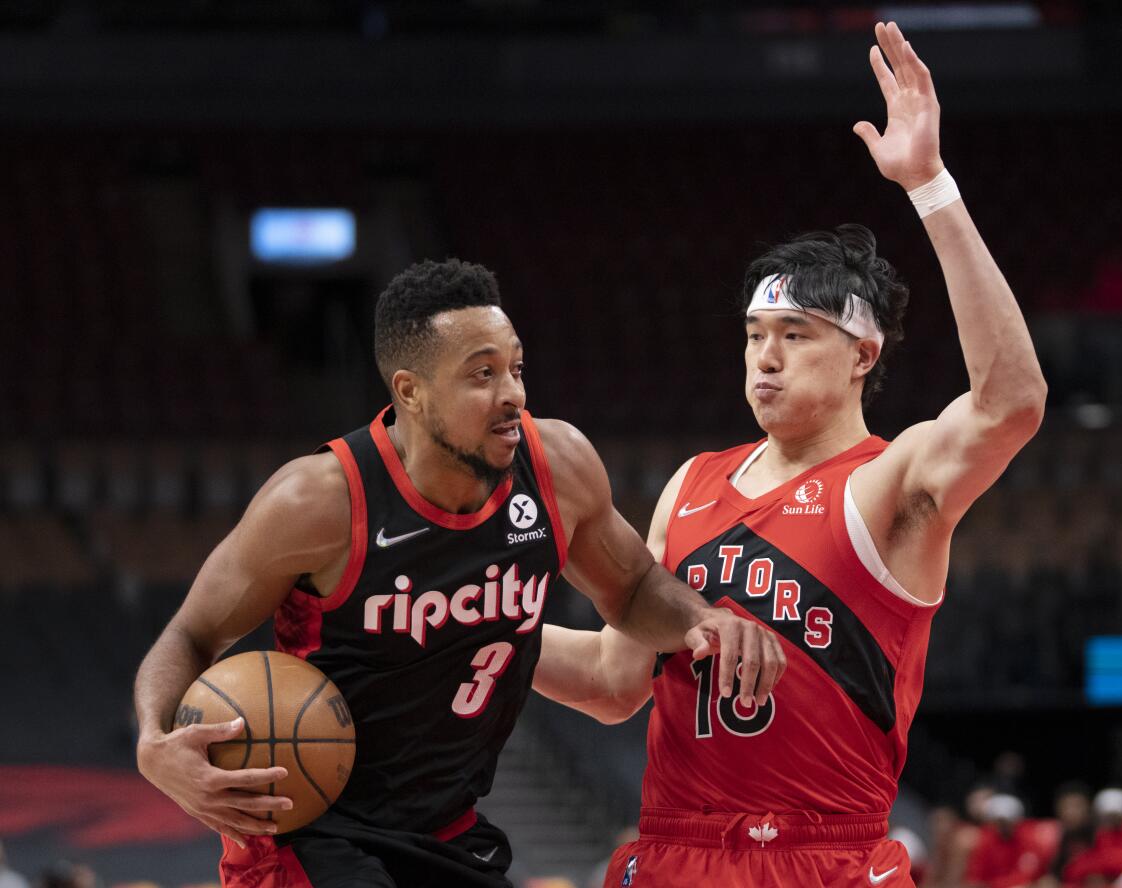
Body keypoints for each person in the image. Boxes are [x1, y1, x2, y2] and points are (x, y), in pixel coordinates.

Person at [533, 21, 1046, 888]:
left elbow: (1011, 403)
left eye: (795, 336)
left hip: (823, 855)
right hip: (672, 851)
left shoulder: (892, 483)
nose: (764, 358)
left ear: (862, 354)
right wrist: (477, 630)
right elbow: (616, 678)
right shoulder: (692, 484)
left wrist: (929, 187)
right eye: (754, 335)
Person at [133, 259, 785, 887]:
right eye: (482, 374)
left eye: (515, 369)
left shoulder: (556, 465)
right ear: (411, 392)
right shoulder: (319, 502)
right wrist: (156, 742)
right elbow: (191, 634)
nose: (512, 394)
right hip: (309, 834)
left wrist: (701, 620)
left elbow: (635, 588)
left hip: (444, 832)